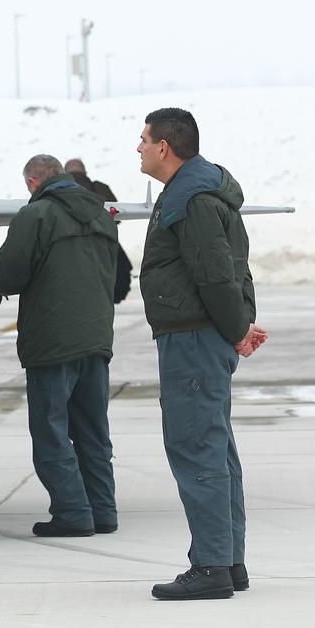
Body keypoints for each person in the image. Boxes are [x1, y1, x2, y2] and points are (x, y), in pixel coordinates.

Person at [137, 108, 266, 601]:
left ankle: (211, 565)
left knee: (197, 447)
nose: (140, 147)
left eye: (144, 139)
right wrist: (238, 326)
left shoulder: (189, 199)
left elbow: (215, 274)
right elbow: (231, 269)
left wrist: (236, 328)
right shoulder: (198, 192)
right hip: (202, 334)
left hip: (193, 338)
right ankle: (228, 561)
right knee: (214, 447)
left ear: (165, 147)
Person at [0, 155, 120, 537]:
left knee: (51, 430)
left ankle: (73, 512)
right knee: (93, 428)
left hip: (52, 341)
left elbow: (7, 276)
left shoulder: (37, 215)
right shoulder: (101, 213)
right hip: (96, 337)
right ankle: (103, 510)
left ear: (33, 182)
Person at [65, 157, 134, 303]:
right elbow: (119, 217)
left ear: (64, 173)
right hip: (107, 248)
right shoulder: (100, 188)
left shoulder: (59, 192)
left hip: (70, 252)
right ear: (85, 171)